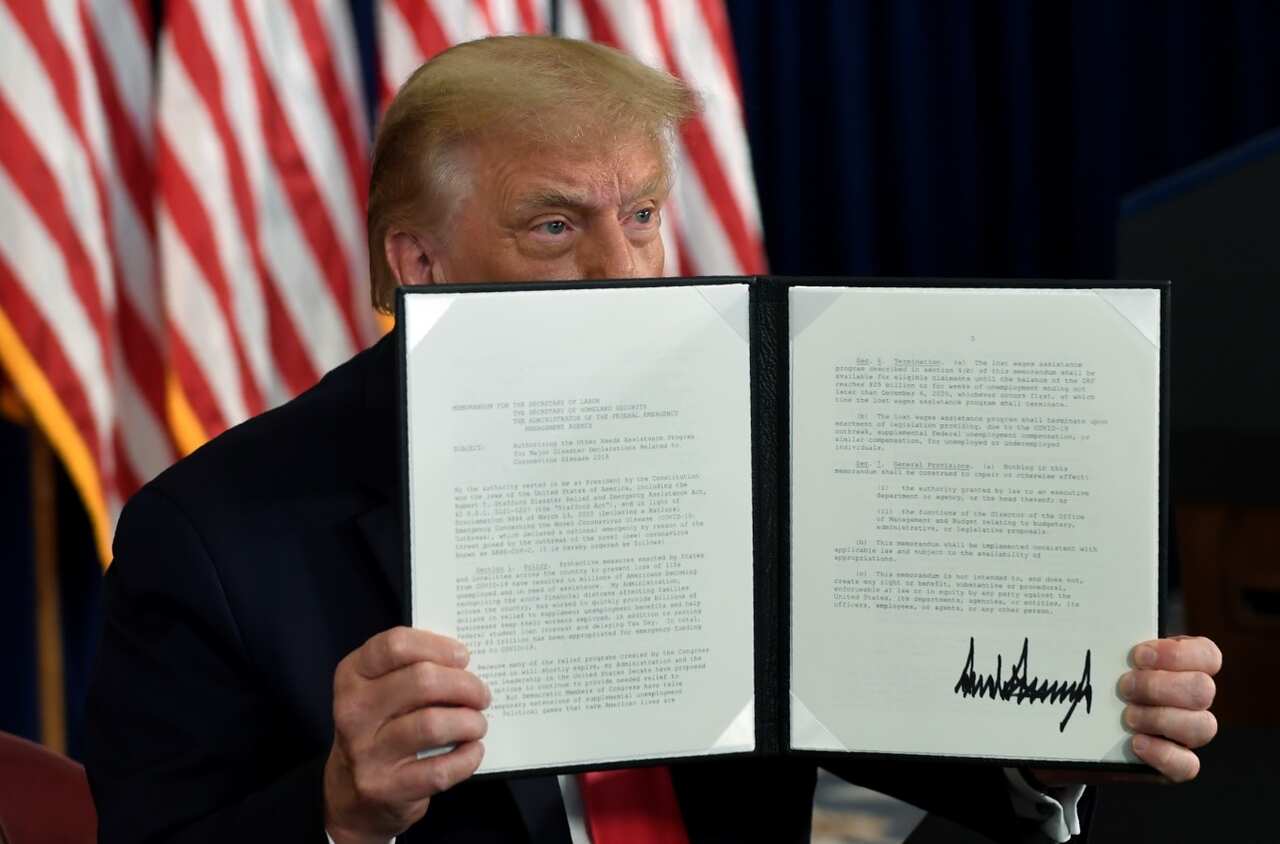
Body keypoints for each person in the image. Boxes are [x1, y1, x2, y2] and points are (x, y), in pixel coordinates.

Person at [85, 35, 1221, 844]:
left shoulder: (752, 434)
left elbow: (863, 704)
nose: (623, 272)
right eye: (553, 225)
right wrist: (341, 810)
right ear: (417, 262)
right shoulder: (213, 532)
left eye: (640, 218)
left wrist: (1053, 738)